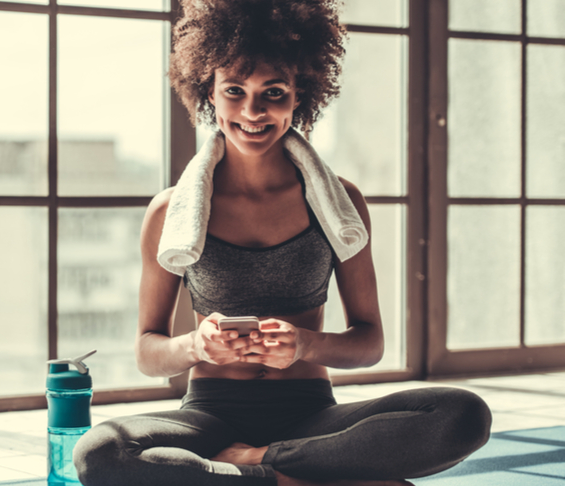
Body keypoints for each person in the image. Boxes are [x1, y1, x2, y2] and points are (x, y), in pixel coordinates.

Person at [73, 1, 491, 485]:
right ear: (209, 91)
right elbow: (148, 352)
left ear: (300, 95)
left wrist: (307, 345)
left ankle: (254, 465)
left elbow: (369, 340)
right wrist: (195, 344)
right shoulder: (171, 211)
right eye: (234, 91)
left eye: (273, 92)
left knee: (462, 414)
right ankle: (303, 478)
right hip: (210, 416)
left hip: (312, 417)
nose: (253, 111)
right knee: (102, 452)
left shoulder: (340, 202)